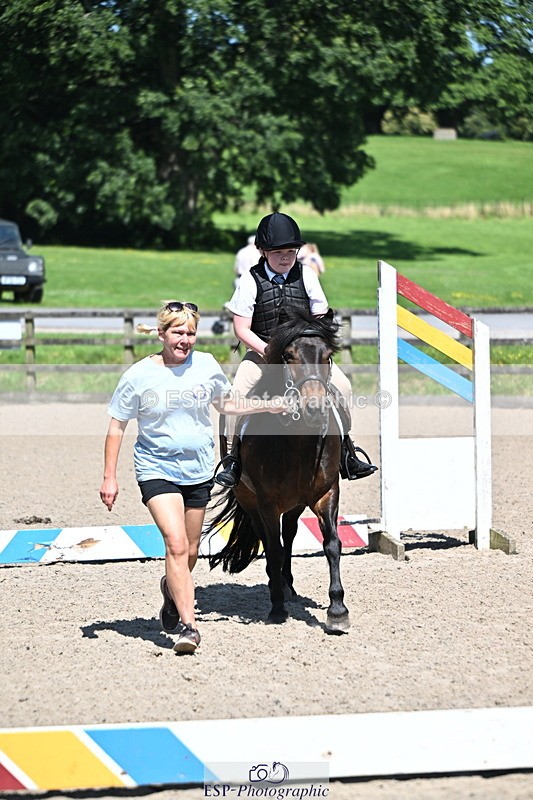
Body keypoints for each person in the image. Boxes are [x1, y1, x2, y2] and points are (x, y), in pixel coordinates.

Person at [99, 300, 288, 654]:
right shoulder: (139, 375)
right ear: (161, 334)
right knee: (176, 544)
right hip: (156, 468)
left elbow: (227, 404)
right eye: (178, 333)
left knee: (190, 552)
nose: (185, 340)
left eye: (190, 333)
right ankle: (190, 627)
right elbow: (117, 425)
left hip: (198, 468)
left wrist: (267, 405)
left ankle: (171, 590)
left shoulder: (205, 365)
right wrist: (109, 477)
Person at [215, 212, 378, 488]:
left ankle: (347, 452)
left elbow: (320, 316)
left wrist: (313, 346)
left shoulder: (307, 275)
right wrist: (269, 351)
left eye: (291, 252)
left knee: (343, 386)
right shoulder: (250, 279)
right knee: (238, 395)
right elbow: (241, 329)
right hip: (262, 353)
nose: (285, 258)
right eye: (278, 252)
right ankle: (233, 460)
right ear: (262, 251)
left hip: (303, 356)